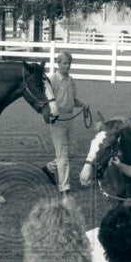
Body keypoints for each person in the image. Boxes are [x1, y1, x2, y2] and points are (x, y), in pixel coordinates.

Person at [41, 51, 89, 196]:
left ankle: (50, 167)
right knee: (62, 155)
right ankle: (65, 188)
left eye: (69, 63)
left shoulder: (71, 81)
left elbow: (73, 100)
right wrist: (49, 116)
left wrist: (83, 105)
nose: (67, 66)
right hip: (57, 120)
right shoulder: (52, 81)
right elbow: (46, 102)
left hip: (70, 119)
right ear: (58, 63)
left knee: (72, 152)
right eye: (65, 63)